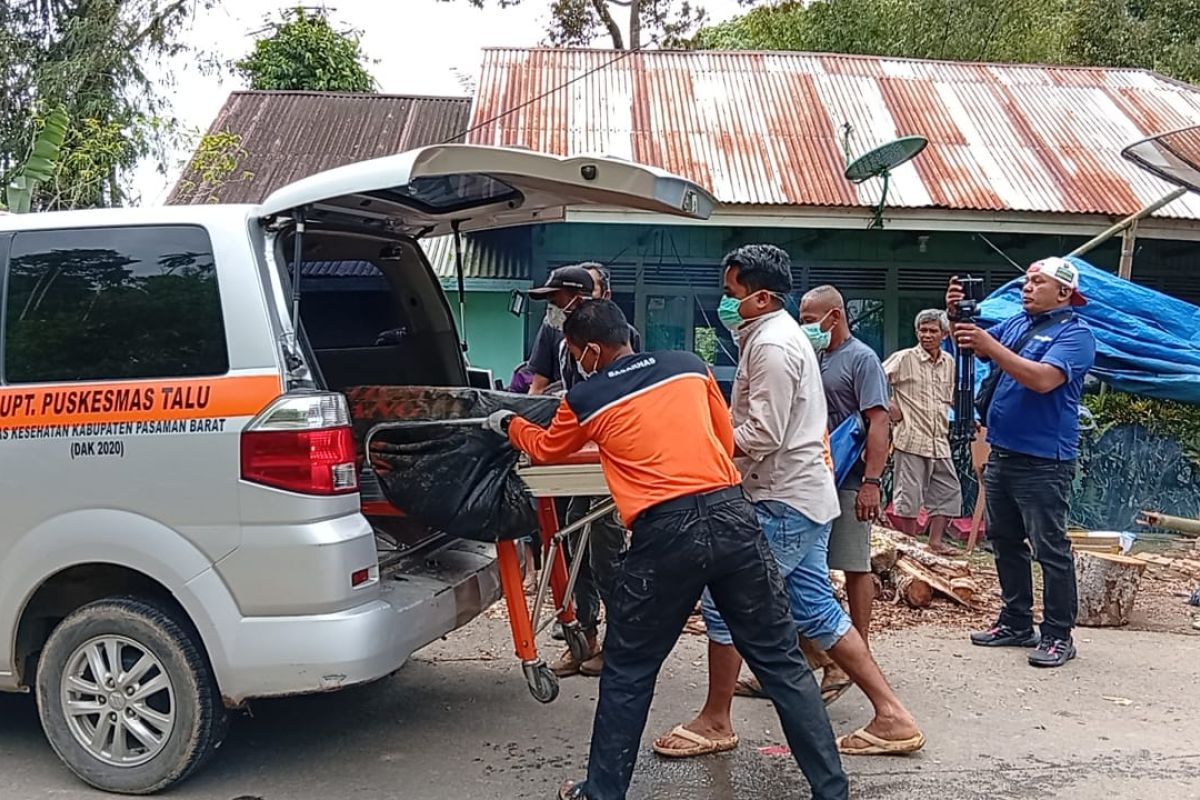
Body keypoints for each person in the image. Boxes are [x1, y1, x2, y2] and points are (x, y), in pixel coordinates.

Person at [485, 300, 848, 800]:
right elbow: (723, 441)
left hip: (665, 532)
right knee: (783, 665)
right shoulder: (690, 366)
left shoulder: (587, 396)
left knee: (629, 670)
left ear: (592, 349)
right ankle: (832, 791)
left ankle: (602, 792)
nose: (576, 363)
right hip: (732, 519)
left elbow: (547, 449)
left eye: (575, 353)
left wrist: (507, 424)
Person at [651, 245, 923, 761]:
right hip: (801, 495)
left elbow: (764, 433)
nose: (724, 303)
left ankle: (715, 719)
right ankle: (892, 716)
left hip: (783, 498)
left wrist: (699, 440)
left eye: (732, 294)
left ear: (761, 297)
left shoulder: (772, 346)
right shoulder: (773, 337)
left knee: (726, 602)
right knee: (815, 608)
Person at [948, 257, 1096, 668]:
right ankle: (1015, 621)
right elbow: (977, 349)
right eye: (1026, 281)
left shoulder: (1076, 335)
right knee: (1005, 541)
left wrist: (989, 345)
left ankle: (1057, 634)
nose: (1026, 288)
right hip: (1004, 451)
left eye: (1037, 282)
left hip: (1044, 460)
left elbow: (1042, 379)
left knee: (1049, 548)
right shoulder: (1017, 323)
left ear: (1064, 292)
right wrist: (955, 317)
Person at [528, 264, 641, 677]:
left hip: (607, 461)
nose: (553, 309)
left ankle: (619, 642)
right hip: (575, 458)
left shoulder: (612, 335)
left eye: (557, 300)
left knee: (606, 550)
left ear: (579, 298)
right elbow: (541, 387)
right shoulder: (556, 337)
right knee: (573, 541)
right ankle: (582, 634)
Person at [799, 285, 890, 699]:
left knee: (854, 564)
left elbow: (879, 422)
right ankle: (815, 656)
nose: (805, 326)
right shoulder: (815, 356)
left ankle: (859, 652)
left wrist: (871, 482)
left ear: (834, 317)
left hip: (851, 477)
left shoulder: (861, 359)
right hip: (814, 476)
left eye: (809, 318)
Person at [882, 309, 962, 555]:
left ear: (944, 334)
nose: (927, 335)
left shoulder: (949, 361)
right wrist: (889, 407)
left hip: (939, 439)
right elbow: (871, 381)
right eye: (922, 330)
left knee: (949, 490)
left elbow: (951, 398)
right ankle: (909, 545)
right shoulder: (904, 358)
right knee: (909, 496)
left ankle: (935, 543)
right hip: (911, 438)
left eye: (932, 331)